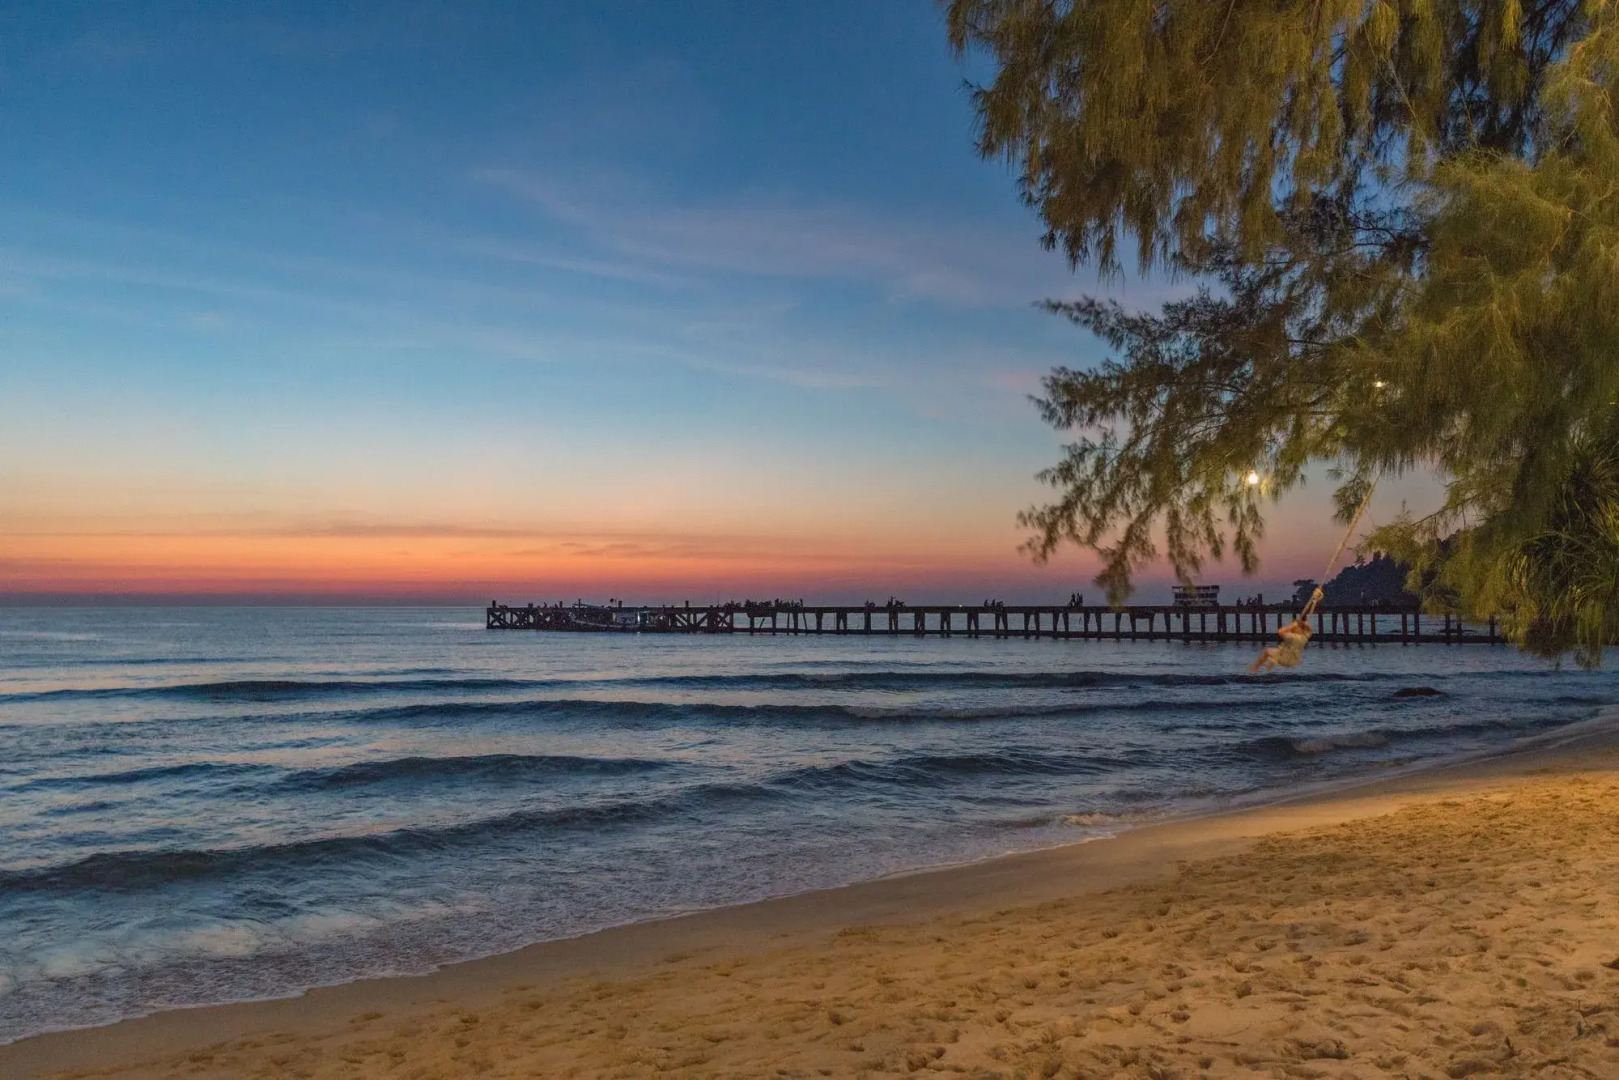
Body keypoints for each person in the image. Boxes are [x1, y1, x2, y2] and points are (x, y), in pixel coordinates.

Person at [1250, 614, 1314, 672]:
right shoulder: (1304, 637)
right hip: (1294, 661)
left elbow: (1280, 631)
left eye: (1295, 628)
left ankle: (1255, 668)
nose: (1293, 629)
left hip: (1285, 659)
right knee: (1278, 650)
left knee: (1267, 651)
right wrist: (1306, 625)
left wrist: (1291, 626)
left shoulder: (1292, 636)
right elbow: (1310, 631)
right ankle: (1270, 664)